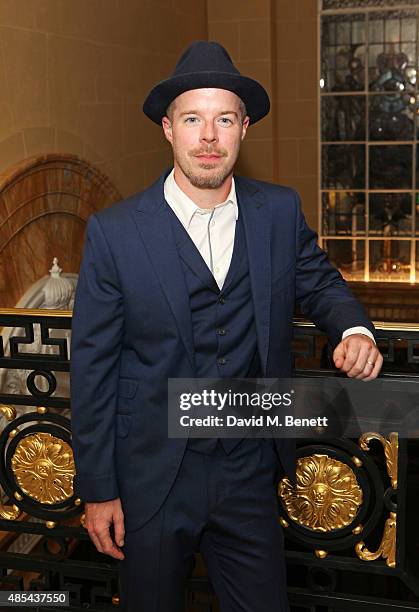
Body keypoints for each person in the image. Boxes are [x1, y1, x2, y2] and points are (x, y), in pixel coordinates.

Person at [70, 41, 383, 612]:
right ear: (168, 129)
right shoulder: (114, 232)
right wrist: (98, 489)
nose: (208, 136)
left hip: (248, 470)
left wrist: (354, 331)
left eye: (224, 120)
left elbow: (320, 283)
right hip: (152, 477)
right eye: (193, 119)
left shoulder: (279, 212)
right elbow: (92, 369)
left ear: (244, 129)